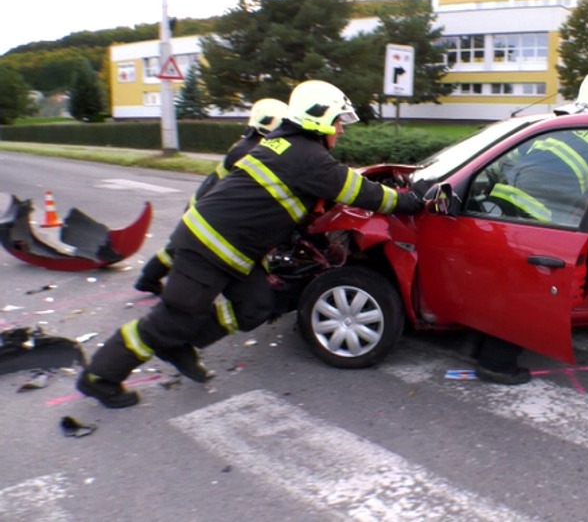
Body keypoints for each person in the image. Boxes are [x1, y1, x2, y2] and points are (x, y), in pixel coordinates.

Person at [77, 80, 425, 408]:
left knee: (257, 305)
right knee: (171, 319)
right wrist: (414, 201)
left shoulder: (286, 144)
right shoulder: (307, 157)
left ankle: (182, 344)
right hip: (208, 248)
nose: (340, 129)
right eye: (337, 121)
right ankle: (101, 376)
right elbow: (362, 192)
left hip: (233, 251)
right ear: (319, 119)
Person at [474, 70, 588, 386]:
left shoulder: (562, 123)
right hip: (539, 220)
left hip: (502, 212)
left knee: (505, 290)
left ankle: (480, 347)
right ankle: (496, 364)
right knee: (526, 298)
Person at [134, 98, 289, 296]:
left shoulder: (247, 144)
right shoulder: (252, 150)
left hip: (204, 201)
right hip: (207, 207)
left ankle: (148, 278)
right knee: (179, 248)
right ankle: (149, 279)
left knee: (176, 247)